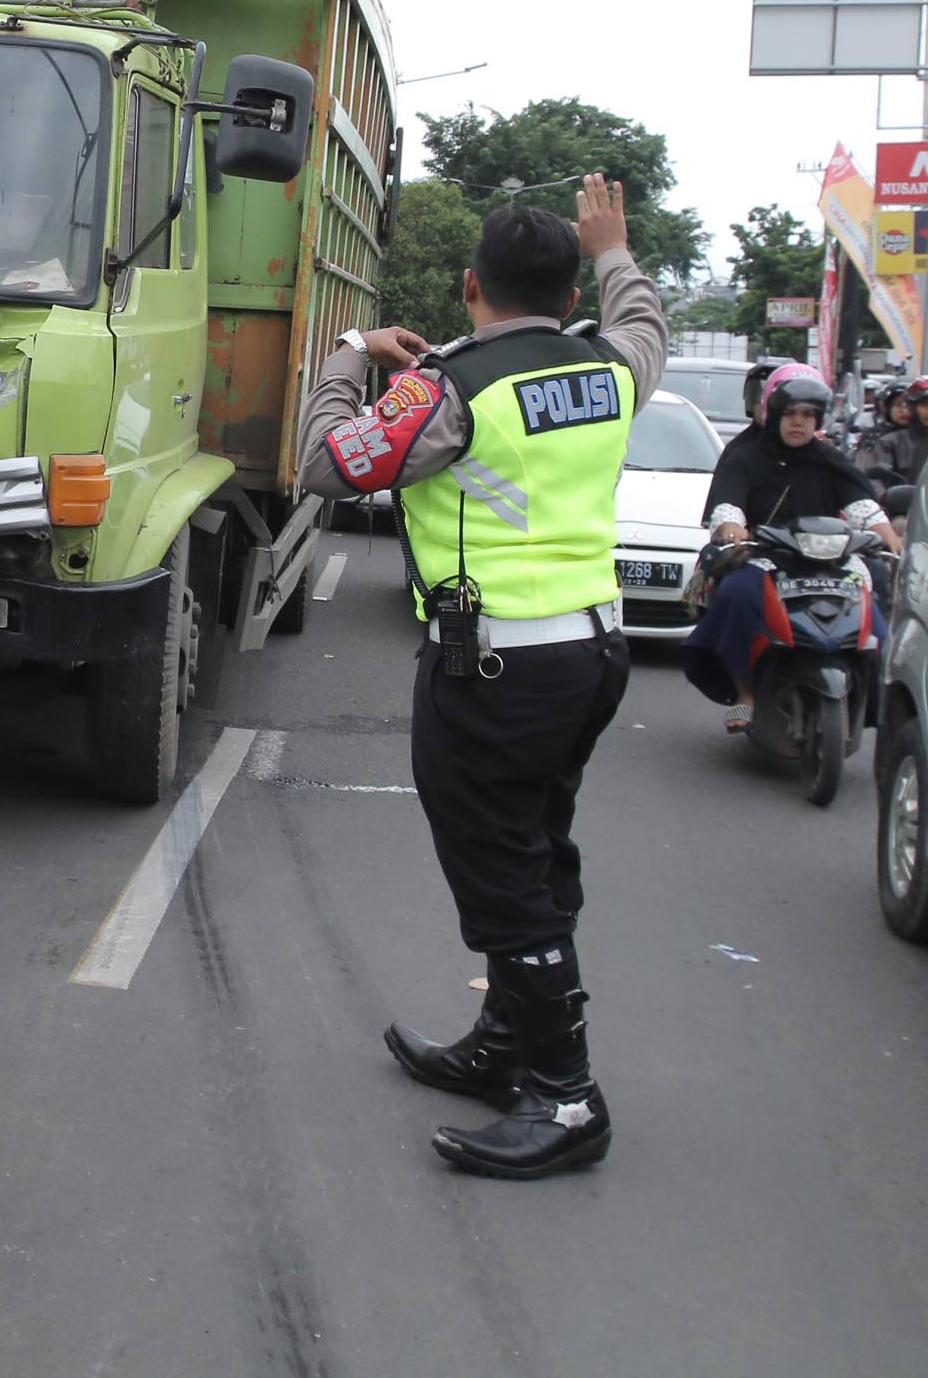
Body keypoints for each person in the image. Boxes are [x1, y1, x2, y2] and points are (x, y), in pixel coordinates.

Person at [300, 175, 665, 1181]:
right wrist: (615, 249)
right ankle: (509, 1046)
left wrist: (349, 355)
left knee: (504, 874)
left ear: (471, 286)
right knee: (535, 848)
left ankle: (566, 1095)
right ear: (571, 294)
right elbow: (645, 319)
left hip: (497, 666)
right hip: (592, 655)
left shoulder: (453, 386)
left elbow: (329, 462)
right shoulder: (611, 365)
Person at [680, 364, 899, 729]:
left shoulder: (830, 460)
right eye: (790, 414)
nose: (798, 423)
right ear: (774, 413)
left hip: (830, 560)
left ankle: (874, 703)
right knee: (736, 593)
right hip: (765, 557)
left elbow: (863, 506)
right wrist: (732, 526)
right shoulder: (745, 456)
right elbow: (728, 505)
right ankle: (745, 694)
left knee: (874, 621)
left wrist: (885, 531)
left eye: (808, 415)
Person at [862, 372, 928, 490]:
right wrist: (884, 496)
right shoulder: (890, 442)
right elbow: (875, 480)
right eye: (924, 405)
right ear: (914, 408)